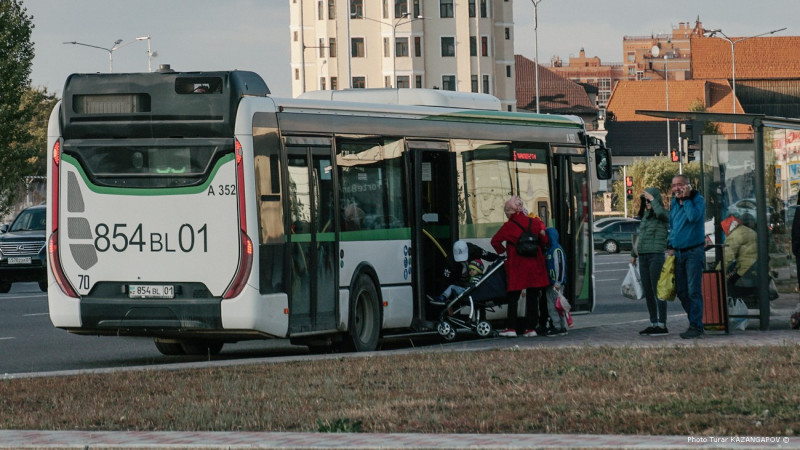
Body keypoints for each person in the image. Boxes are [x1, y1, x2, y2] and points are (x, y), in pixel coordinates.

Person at [491, 196, 549, 337]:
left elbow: (495, 241)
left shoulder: (508, 226)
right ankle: (531, 329)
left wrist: (504, 251)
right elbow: (544, 240)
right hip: (534, 264)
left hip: (517, 266)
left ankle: (511, 328)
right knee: (532, 297)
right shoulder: (535, 222)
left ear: (510, 212)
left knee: (513, 297)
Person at [668, 174, 706, 339]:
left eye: (680, 185)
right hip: (678, 252)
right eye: (674, 185)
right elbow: (673, 225)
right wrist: (670, 246)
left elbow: (693, 217)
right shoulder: (674, 203)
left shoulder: (698, 200)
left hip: (693, 252)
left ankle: (696, 326)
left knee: (693, 291)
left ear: (688, 186)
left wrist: (687, 199)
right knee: (681, 291)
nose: (677, 188)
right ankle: (695, 321)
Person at [631, 188, 670, 336]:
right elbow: (640, 236)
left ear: (656, 200)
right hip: (644, 256)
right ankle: (653, 322)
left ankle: (662, 324)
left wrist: (653, 201)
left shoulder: (662, 215)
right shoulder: (645, 216)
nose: (647, 203)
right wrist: (634, 254)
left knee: (657, 290)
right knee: (648, 291)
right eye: (645, 201)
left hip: (656, 255)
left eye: (649, 200)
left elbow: (661, 213)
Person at [430, 240, 498, 305]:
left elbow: (487, 255)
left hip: (473, 283)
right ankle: (443, 298)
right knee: (452, 287)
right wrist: (448, 301)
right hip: (459, 282)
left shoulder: (474, 250)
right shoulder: (450, 261)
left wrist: (499, 258)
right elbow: (445, 280)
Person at [721, 214, 758, 300]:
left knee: (727, 283)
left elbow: (726, 258)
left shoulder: (734, 235)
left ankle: (734, 301)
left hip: (745, 271)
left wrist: (718, 271)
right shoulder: (750, 231)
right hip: (755, 268)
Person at [544, 227, 568, 336]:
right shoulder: (552, 249)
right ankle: (561, 326)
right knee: (558, 305)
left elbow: (560, 266)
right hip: (553, 283)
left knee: (553, 306)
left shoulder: (555, 250)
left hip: (555, 284)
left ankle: (557, 326)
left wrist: (558, 282)